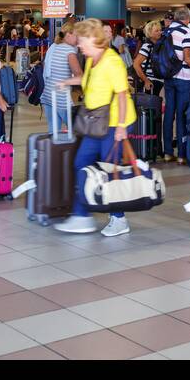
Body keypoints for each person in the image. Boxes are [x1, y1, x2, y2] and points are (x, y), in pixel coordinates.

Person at [52, 18, 134, 238]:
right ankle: (82, 216)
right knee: (81, 163)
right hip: (96, 122)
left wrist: (120, 127)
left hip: (114, 122)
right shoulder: (91, 59)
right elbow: (85, 79)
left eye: (81, 41)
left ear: (91, 38)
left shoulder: (112, 60)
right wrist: (66, 83)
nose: (78, 45)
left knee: (109, 170)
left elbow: (122, 94)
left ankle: (119, 219)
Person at [162, 8, 190, 163]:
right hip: (183, 78)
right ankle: (182, 155)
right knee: (182, 114)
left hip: (168, 77)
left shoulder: (167, 31)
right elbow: (188, 59)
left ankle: (168, 152)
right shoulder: (186, 32)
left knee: (169, 113)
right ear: (188, 18)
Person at [42, 19, 82, 133]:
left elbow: (46, 67)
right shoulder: (69, 51)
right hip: (61, 97)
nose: (78, 39)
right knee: (76, 130)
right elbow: (79, 76)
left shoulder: (53, 47)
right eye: (76, 36)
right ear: (69, 34)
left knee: (54, 132)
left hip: (48, 94)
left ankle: (55, 150)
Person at [132, 20, 164, 103]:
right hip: (150, 82)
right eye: (156, 31)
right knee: (150, 109)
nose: (160, 32)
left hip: (159, 82)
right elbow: (136, 64)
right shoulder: (147, 46)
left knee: (157, 108)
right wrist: (146, 80)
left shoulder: (159, 45)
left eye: (160, 30)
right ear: (149, 33)